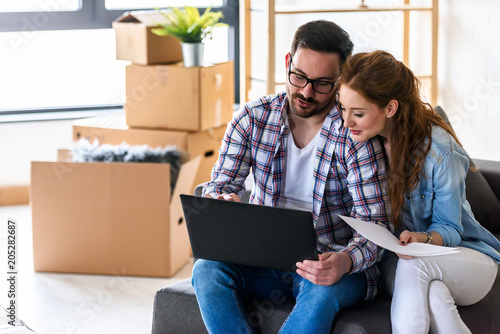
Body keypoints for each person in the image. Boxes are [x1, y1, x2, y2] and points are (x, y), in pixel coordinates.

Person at [191, 20, 390, 334]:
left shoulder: (354, 135)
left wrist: (345, 262)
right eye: (298, 77)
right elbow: (219, 184)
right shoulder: (252, 117)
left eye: (322, 83)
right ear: (287, 63)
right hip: (260, 258)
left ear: (340, 81)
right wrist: (220, 201)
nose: (306, 92)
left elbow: (378, 225)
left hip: (329, 266)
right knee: (206, 269)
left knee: (323, 291)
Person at [337, 50, 500, 334]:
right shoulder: (363, 144)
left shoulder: (439, 151)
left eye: (358, 113)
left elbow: (450, 229)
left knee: (415, 265)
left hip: (465, 259)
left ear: (390, 108)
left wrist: (420, 238)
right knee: (435, 298)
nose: (345, 121)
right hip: (405, 263)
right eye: (342, 108)